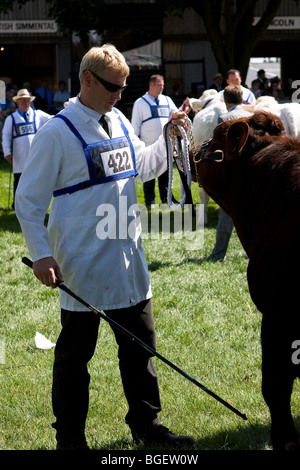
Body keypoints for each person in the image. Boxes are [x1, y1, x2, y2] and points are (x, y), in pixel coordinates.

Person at [15, 44, 194, 450]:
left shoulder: (117, 121)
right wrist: (42, 254)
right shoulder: (57, 133)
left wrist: (167, 136)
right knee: (75, 360)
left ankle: (147, 426)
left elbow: (143, 166)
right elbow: (26, 201)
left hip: (128, 261)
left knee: (141, 351)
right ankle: (71, 440)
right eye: (113, 87)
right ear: (87, 80)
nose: (119, 96)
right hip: (82, 267)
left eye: (124, 88)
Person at [208, 85, 252, 261]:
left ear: (225, 101)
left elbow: (219, 149)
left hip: (232, 174)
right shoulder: (251, 117)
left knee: (226, 216)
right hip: (250, 172)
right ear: (242, 100)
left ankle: (218, 254)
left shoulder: (223, 118)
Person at [131, 74, 178, 207]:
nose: (162, 87)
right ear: (151, 85)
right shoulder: (140, 102)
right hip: (148, 145)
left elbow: (176, 113)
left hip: (165, 145)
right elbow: (135, 126)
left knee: (165, 173)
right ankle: (150, 201)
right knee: (149, 174)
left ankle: (166, 199)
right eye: (159, 85)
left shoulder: (167, 100)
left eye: (163, 85)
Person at [2, 88, 51, 208]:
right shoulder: (11, 118)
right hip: (19, 156)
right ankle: (17, 204)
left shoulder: (38, 114)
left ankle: (35, 202)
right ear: (17, 102)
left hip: (35, 155)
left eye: (27, 100)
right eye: (23, 100)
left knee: (35, 179)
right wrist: (7, 152)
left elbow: (53, 119)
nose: (26, 103)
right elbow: (6, 136)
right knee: (19, 180)